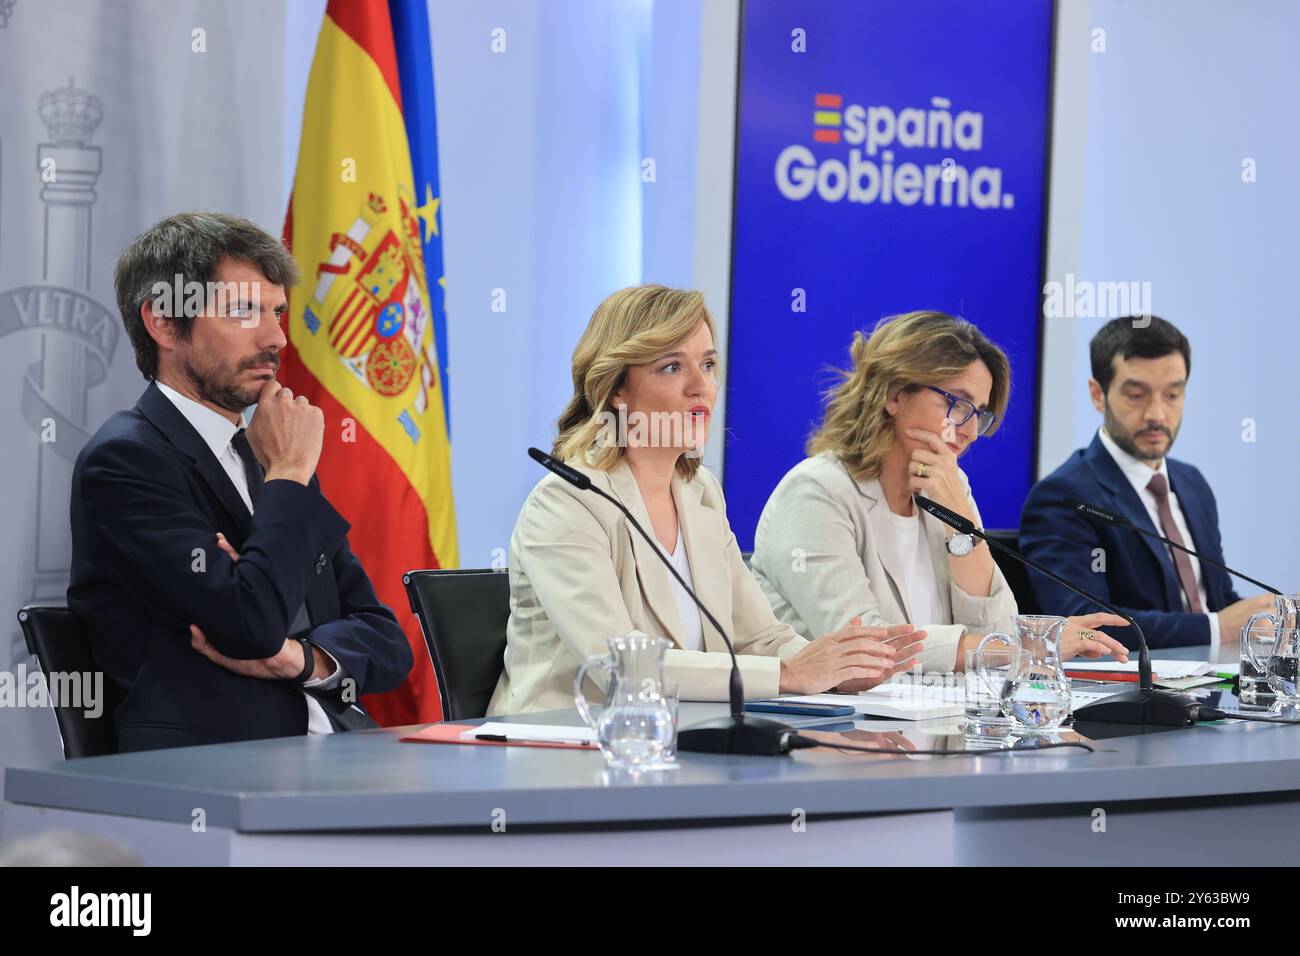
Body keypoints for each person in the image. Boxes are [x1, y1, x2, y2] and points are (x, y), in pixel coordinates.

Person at [487, 286, 924, 716]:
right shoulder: (567, 502)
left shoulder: (700, 494)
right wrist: (791, 673)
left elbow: (761, 640)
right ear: (616, 388)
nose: (702, 387)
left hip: (681, 742)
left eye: (709, 364)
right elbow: (619, 667)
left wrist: (840, 667)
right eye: (672, 367)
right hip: (559, 750)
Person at [69, 211, 412, 752]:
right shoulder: (126, 461)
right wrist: (290, 479)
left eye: (277, 311)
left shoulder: (270, 458)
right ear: (164, 322)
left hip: (341, 755)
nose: (276, 337)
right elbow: (249, 624)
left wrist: (298, 659)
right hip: (217, 769)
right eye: (244, 311)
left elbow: (388, 642)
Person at [750, 311, 1130, 670]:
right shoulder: (816, 492)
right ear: (894, 394)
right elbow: (868, 647)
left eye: (978, 413)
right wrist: (1030, 644)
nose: (967, 430)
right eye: (956, 403)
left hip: (937, 720)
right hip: (837, 729)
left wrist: (960, 525)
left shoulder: (948, 487)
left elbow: (997, 628)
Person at [1020, 315, 1273, 650]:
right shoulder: (1063, 497)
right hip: (1133, 695)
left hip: (1216, 685)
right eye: (1137, 395)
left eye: (1172, 395)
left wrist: (1266, 619)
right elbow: (1084, 623)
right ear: (1098, 395)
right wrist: (1216, 629)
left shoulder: (1191, 483)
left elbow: (1217, 601)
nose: (1157, 414)